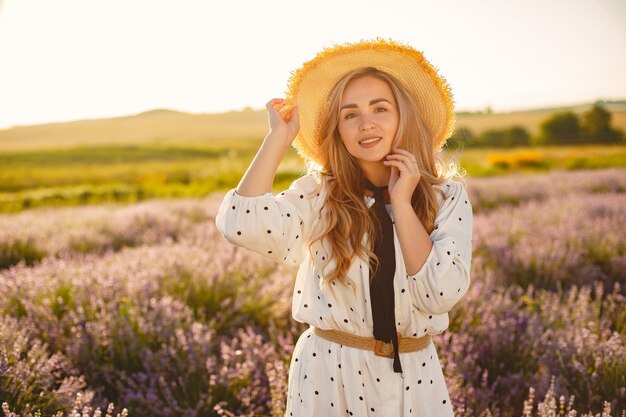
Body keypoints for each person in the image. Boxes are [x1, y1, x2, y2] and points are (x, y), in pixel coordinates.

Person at [215, 39, 473, 417]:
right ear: (338, 128)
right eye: (350, 114)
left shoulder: (447, 198)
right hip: (328, 375)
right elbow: (240, 223)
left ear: (404, 116)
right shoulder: (319, 195)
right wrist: (279, 138)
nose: (366, 123)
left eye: (380, 109)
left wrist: (402, 203)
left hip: (414, 378)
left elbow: (439, 294)